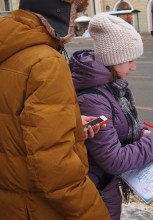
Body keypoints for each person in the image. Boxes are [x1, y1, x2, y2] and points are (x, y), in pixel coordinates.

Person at [0, 0, 111, 219]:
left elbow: (11, 120)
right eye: (75, 12)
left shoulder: (9, 45)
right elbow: (56, 168)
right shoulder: (46, 61)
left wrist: (68, 122)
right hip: (37, 207)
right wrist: (96, 213)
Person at [70, 14, 153, 220]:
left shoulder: (110, 87)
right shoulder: (94, 98)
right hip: (96, 191)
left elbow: (115, 131)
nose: (133, 67)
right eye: (129, 60)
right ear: (113, 59)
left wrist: (138, 135)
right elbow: (114, 160)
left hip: (103, 185)